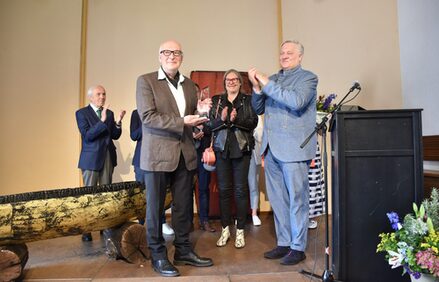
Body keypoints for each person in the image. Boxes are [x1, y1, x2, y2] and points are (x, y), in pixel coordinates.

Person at [136, 40, 213, 277]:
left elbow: (190, 117)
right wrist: (184, 121)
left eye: (176, 52)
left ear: (182, 56)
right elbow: (148, 117)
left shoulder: (190, 85)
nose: (172, 56)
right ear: (159, 56)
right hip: (158, 156)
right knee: (156, 209)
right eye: (167, 52)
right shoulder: (146, 81)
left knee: (183, 208)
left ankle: (183, 250)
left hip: (185, 154)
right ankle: (158, 256)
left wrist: (199, 113)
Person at [248, 40, 318, 265]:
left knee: (297, 199)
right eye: (282, 52)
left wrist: (266, 83)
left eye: (290, 53)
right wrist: (257, 89)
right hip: (271, 149)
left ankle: (298, 247)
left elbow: (296, 102)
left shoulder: (308, 78)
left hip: (294, 149)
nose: (284, 55)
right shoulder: (274, 80)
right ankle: (285, 242)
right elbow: (258, 109)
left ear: (300, 57)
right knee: (278, 200)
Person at [208, 69, 258, 249]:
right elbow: (210, 125)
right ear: (224, 82)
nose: (231, 82)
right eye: (228, 79)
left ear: (240, 82)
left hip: (242, 149)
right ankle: (225, 230)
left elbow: (253, 123)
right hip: (222, 150)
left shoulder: (248, 100)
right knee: (224, 192)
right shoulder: (217, 100)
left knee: (240, 191)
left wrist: (235, 120)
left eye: (235, 79)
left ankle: (240, 231)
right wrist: (222, 119)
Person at [76, 85, 126, 242]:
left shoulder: (109, 113)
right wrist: (102, 121)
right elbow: (87, 136)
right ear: (90, 97)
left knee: (106, 195)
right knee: (89, 195)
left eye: (104, 94)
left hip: (107, 158)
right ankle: (87, 229)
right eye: (99, 94)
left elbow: (115, 136)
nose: (102, 97)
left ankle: (105, 227)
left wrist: (118, 122)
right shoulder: (81, 113)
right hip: (90, 160)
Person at [130, 109, 174, 235]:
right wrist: (146, 123)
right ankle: (141, 224)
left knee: (160, 193)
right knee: (141, 194)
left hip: (159, 157)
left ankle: (161, 222)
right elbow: (134, 136)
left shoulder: (161, 112)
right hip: (141, 160)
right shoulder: (136, 113)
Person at [193, 84, 215, 232]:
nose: (195, 94)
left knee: (203, 188)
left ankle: (204, 220)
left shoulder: (208, 108)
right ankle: (186, 221)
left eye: (196, 91)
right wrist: (192, 134)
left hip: (203, 154)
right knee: (184, 190)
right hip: (187, 154)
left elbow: (213, 126)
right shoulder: (185, 109)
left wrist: (203, 129)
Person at [248, 114, 263, 226]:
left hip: (252, 151)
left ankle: (254, 213)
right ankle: (241, 214)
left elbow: (260, 134)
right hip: (238, 152)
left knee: (253, 183)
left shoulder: (256, 114)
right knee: (240, 185)